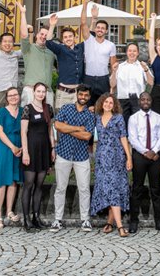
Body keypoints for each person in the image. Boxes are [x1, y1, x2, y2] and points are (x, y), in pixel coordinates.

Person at [51, 84, 96, 232]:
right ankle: (57, 219)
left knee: (84, 188)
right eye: (81, 94)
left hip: (81, 156)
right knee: (60, 188)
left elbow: (87, 135)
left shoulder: (90, 116)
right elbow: (57, 125)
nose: (83, 97)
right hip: (63, 153)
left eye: (86, 95)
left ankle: (85, 220)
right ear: (77, 94)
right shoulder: (66, 108)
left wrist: (67, 127)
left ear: (89, 97)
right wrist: (77, 128)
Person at [91, 93, 133, 237]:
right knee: (108, 189)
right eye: (106, 102)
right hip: (102, 158)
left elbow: (123, 137)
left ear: (114, 105)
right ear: (101, 103)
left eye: (111, 102)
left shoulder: (118, 118)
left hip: (116, 158)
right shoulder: (96, 118)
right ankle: (110, 221)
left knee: (115, 189)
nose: (108, 104)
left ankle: (120, 226)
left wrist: (129, 157)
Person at [127, 91, 160, 234]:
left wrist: (154, 151)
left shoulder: (158, 118)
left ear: (151, 102)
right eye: (143, 99)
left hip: (155, 157)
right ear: (139, 102)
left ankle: (159, 221)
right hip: (139, 156)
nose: (145, 101)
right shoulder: (133, 118)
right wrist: (145, 152)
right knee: (137, 189)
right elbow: (132, 139)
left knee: (156, 189)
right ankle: (133, 221)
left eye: (148, 99)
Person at [21, 83, 56, 232]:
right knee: (29, 184)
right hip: (31, 149)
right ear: (33, 92)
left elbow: (50, 130)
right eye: (38, 91)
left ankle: (36, 217)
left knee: (39, 185)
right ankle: (26, 220)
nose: (41, 94)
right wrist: (26, 152)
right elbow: (23, 132)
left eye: (43, 91)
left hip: (44, 149)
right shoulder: (27, 108)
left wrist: (52, 148)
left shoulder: (48, 108)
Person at [0, 86, 23, 230]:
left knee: (13, 180)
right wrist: (12, 147)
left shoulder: (22, 111)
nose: (13, 97)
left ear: (19, 96)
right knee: (2, 180)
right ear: (6, 98)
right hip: (5, 147)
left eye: (15, 95)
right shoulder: (2, 111)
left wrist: (22, 147)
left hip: (19, 148)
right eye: (10, 95)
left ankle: (9, 210)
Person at [80, 0, 117, 102]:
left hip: (103, 79)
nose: (100, 29)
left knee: (103, 106)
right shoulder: (88, 40)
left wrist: (112, 86)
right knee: (87, 105)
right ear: (95, 29)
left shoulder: (111, 45)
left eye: (103, 28)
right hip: (89, 78)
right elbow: (83, 23)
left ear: (106, 31)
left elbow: (113, 67)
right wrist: (85, 4)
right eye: (98, 27)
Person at [19, 5, 56, 107]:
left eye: (46, 35)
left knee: (48, 120)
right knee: (27, 119)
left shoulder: (52, 52)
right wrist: (23, 13)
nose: (43, 37)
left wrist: (52, 25)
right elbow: (24, 35)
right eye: (41, 34)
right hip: (31, 90)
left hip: (47, 92)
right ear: (37, 35)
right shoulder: (28, 48)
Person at [45, 19, 86, 110]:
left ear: (75, 37)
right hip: (63, 93)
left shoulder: (80, 48)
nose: (68, 39)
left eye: (70, 36)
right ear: (63, 40)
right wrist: (52, 25)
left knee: (77, 119)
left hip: (78, 93)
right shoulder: (60, 49)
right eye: (65, 37)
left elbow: (90, 37)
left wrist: (93, 20)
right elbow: (48, 42)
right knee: (60, 119)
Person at [111, 42, 153, 124]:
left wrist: (146, 70)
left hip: (137, 100)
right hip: (123, 100)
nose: (132, 53)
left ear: (138, 53)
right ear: (126, 52)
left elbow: (151, 82)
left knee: (138, 124)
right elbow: (112, 84)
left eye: (134, 51)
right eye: (130, 51)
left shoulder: (142, 66)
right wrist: (113, 72)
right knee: (123, 124)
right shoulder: (120, 66)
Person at [0, 20, 21, 109]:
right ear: (0, 43)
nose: (7, 44)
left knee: (13, 114)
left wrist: (30, 32)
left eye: (10, 42)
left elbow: (27, 49)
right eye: (5, 41)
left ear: (13, 43)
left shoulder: (16, 54)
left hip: (13, 91)